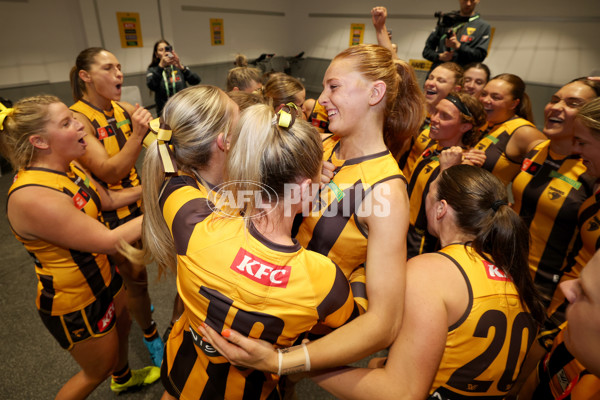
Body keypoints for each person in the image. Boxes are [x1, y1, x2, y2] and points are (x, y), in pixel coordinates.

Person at [201, 165, 545, 400]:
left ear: (440, 209)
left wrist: (293, 363)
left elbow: (401, 393)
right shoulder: (515, 278)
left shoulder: (431, 270)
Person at [199, 44, 420, 378]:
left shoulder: (386, 189)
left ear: (376, 93)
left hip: (307, 333)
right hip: (260, 299)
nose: (323, 97)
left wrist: (281, 363)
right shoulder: (321, 145)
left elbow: (384, 323)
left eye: (334, 86)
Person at [134, 87, 360, 399]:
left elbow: (174, 173)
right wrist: (361, 273)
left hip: (183, 371)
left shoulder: (190, 219)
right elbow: (354, 326)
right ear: (223, 143)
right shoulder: (322, 279)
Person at [0, 96, 160, 398]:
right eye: (66, 123)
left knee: (123, 327)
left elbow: (110, 200)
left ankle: (123, 377)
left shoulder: (70, 166)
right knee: (96, 371)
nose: (80, 127)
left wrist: (159, 186)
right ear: (40, 141)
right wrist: (170, 204)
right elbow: (110, 239)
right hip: (75, 301)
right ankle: (113, 374)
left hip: (105, 276)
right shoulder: (32, 196)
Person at [69, 47, 164, 367]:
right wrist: (138, 135)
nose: (119, 74)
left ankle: (137, 307)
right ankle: (150, 335)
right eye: (108, 68)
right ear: (86, 76)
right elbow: (111, 171)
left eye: (119, 67)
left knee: (138, 280)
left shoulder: (123, 108)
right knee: (134, 281)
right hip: (108, 215)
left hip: (136, 204)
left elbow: (160, 141)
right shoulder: (79, 119)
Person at [511, 77, 599, 307]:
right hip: (507, 272)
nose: (556, 107)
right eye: (554, 99)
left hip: (549, 296)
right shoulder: (537, 150)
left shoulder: (592, 171)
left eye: (573, 103)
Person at [406, 92, 486, 258]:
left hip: (422, 242)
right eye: (435, 112)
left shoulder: (465, 164)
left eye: (445, 116)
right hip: (403, 229)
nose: (434, 118)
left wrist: (447, 169)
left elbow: (439, 217)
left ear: (465, 127)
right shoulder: (433, 148)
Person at [475, 73, 548, 186]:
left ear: (514, 103)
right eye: (484, 94)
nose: (485, 100)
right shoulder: (484, 122)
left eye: (495, 97)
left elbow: (543, 173)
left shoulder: (524, 132)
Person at [399, 62, 463, 176]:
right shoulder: (413, 110)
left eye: (440, 80)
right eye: (430, 77)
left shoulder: (455, 126)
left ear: (456, 89)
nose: (431, 83)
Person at [422, 0, 491, 72]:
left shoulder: (483, 26)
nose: (468, 4)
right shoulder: (447, 20)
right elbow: (426, 52)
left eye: (472, 0)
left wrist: (458, 46)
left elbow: (480, 56)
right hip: (438, 72)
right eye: (465, 0)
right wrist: (440, 56)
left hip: (461, 76)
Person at [146, 39, 201, 116]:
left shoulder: (178, 66)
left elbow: (196, 80)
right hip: (164, 112)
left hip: (183, 110)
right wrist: (161, 66)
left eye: (166, 49)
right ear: (156, 54)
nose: (164, 52)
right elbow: (152, 85)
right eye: (161, 50)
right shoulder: (153, 69)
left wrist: (181, 67)